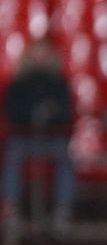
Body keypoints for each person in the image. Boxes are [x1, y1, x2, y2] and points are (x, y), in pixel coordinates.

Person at [2, 41, 75, 229]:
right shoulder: (18, 84)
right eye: (36, 54)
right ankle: (10, 207)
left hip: (52, 138)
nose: (40, 59)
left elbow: (67, 113)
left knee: (65, 158)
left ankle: (63, 210)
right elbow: (12, 112)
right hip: (24, 137)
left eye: (44, 54)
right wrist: (34, 113)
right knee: (11, 154)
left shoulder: (59, 84)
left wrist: (50, 113)